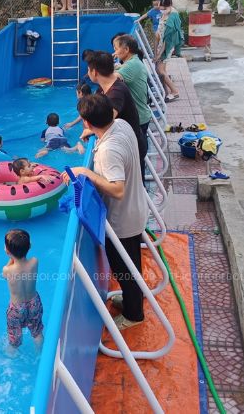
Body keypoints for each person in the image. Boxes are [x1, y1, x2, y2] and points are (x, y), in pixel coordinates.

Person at [62, 94, 149, 330]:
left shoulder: (109, 150)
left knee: (124, 269)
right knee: (131, 264)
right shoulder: (121, 124)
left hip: (123, 219)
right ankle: (133, 298)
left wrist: (85, 172)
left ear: (87, 122)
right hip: (135, 207)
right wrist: (94, 133)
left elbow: (118, 189)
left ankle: (134, 315)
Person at [82, 51, 147, 185]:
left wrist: (91, 129)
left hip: (132, 148)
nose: (88, 73)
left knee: (134, 187)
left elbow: (106, 119)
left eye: (88, 69)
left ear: (95, 72)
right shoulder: (102, 89)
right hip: (125, 142)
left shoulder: (116, 92)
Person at [113, 34, 152, 184]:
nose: (115, 52)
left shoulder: (132, 66)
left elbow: (111, 79)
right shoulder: (133, 62)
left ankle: (140, 190)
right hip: (141, 116)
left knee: (136, 161)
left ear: (126, 49)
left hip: (138, 119)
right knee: (138, 158)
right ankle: (140, 189)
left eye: (116, 48)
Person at [2, 229, 43, 351]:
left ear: (7, 251)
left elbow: (5, 274)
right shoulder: (34, 261)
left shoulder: (7, 270)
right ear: (29, 246)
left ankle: (10, 357)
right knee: (37, 333)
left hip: (16, 309)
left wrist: (10, 256)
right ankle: (40, 354)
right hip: (34, 303)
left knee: (14, 340)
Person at [155, 0, 182, 102]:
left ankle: (174, 91)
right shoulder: (166, 13)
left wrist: (159, 54)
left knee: (160, 70)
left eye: (163, 8)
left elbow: (168, 39)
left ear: (169, 5)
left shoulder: (172, 17)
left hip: (166, 47)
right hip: (162, 45)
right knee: (162, 70)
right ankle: (165, 92)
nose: (161, 9)